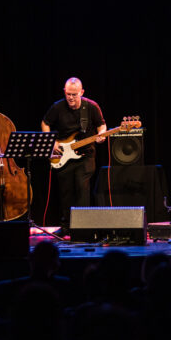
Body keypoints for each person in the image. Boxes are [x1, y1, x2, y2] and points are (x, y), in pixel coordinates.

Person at [41, 77, 107, 231]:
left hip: (85, 155)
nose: (71, 98)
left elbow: (102, 125)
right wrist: (51, 142)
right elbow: (45, 123)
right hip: (64, 155)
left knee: (82, 190)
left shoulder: (91, 107)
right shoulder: (57, 107)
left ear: (81, 92)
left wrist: (101, 135)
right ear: (64, 92)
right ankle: (66, 227)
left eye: (74, 94)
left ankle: (82, 228)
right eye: (68, 94)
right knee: (66, 192)